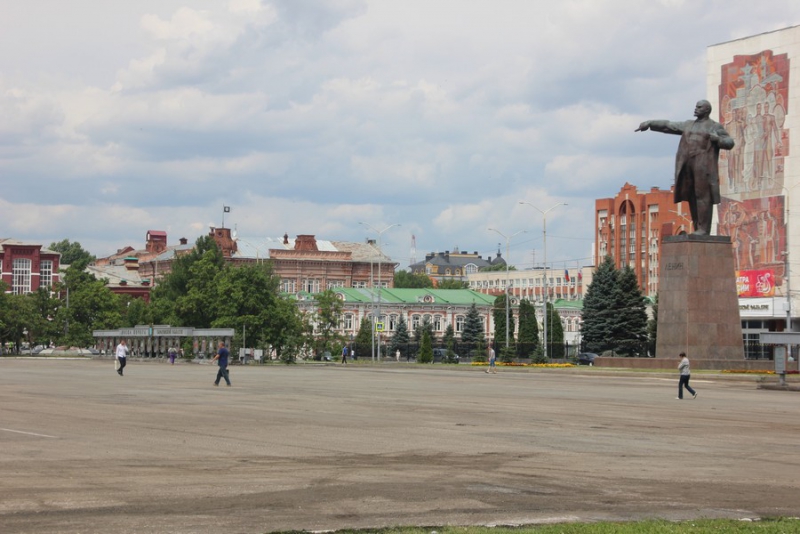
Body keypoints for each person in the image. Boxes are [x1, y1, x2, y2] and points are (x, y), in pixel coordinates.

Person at [636, 100, 734, 236]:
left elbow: (729, 142)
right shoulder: (688, 125)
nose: (696, 109)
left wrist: (717, 140)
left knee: (703, 197)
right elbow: (668, 125)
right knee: (692, 197)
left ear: (706, 110)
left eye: (699, 107)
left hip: (703, 166)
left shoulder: (714, 127)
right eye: (696, 106)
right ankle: (697, 228)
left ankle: (703, 230)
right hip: (688, 165)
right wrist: (650, 123)